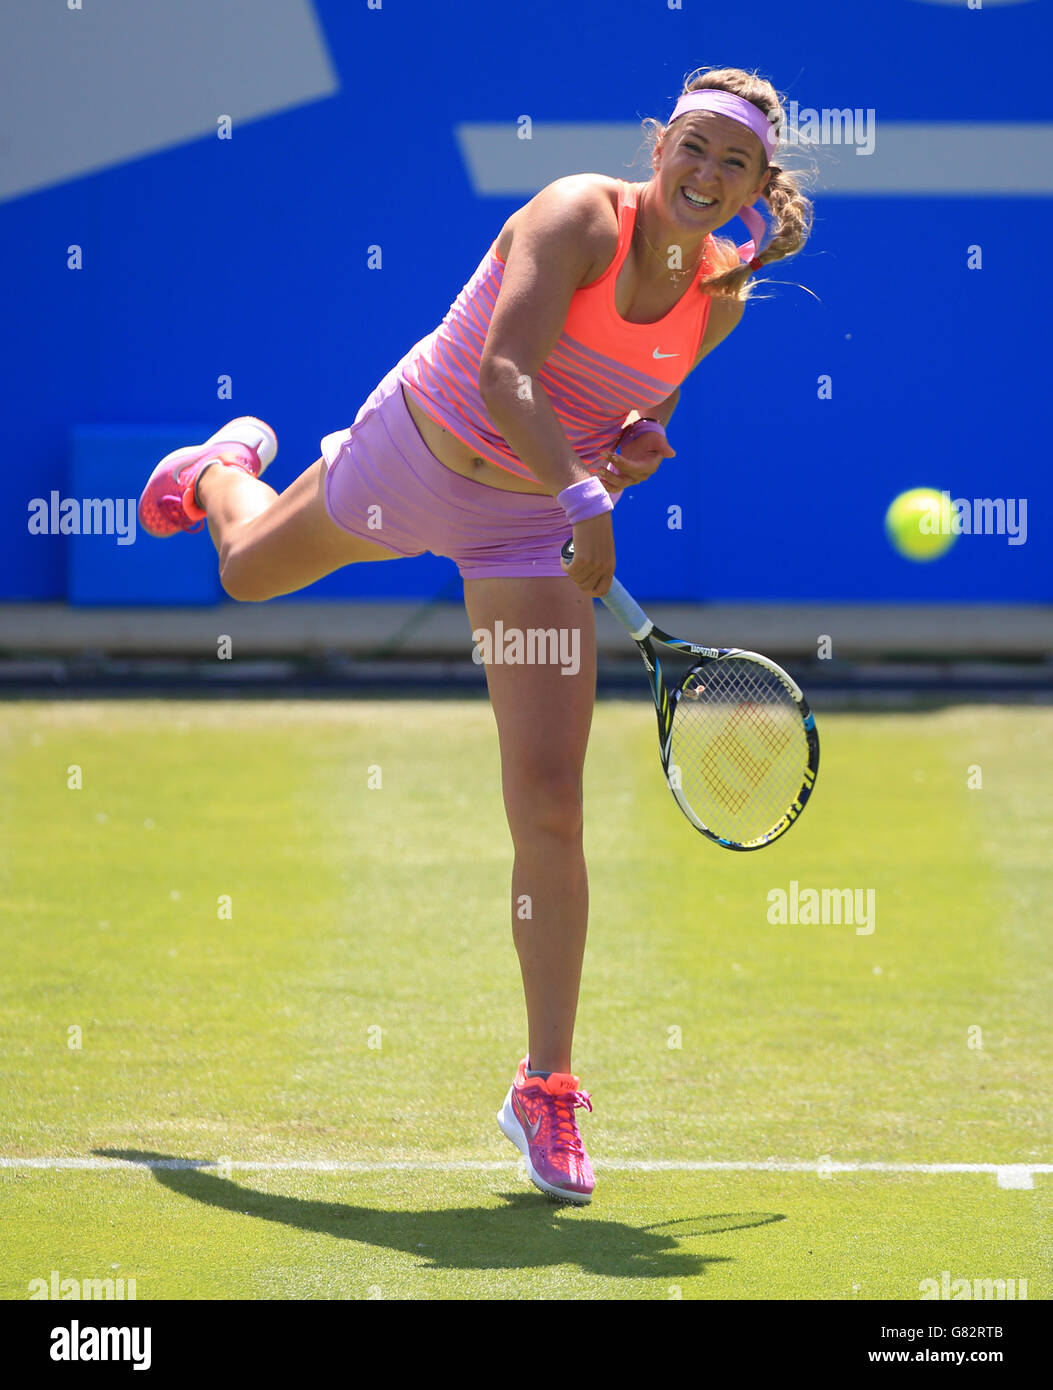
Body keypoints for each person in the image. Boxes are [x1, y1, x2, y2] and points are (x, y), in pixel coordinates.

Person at [137, 66, 813, 1205]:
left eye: (731, 163)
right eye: (692, 147)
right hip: (414, 459)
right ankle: (214, 474)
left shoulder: (721, 293)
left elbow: (637, 416)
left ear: (756, 184)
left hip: (524, 533)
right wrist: (590, 498)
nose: (705, 175)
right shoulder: (571, 213)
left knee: (549, 799)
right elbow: (506, 374)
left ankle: (545, 1085)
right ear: (658, 143)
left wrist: (626, 456)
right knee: (248, 573)